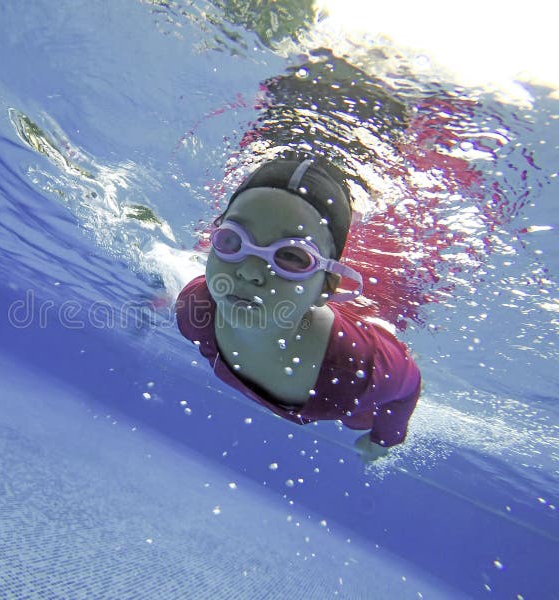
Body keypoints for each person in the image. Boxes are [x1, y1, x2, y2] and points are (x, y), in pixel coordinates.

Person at [175, 157, 421, 462]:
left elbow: (408, 384)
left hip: (351, 373)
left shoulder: (354, 369)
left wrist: (384, 440)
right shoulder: (194, 311)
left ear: (326, 289)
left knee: (359, 419)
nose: (249, 271)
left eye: (291, 256)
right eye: (232, 239)